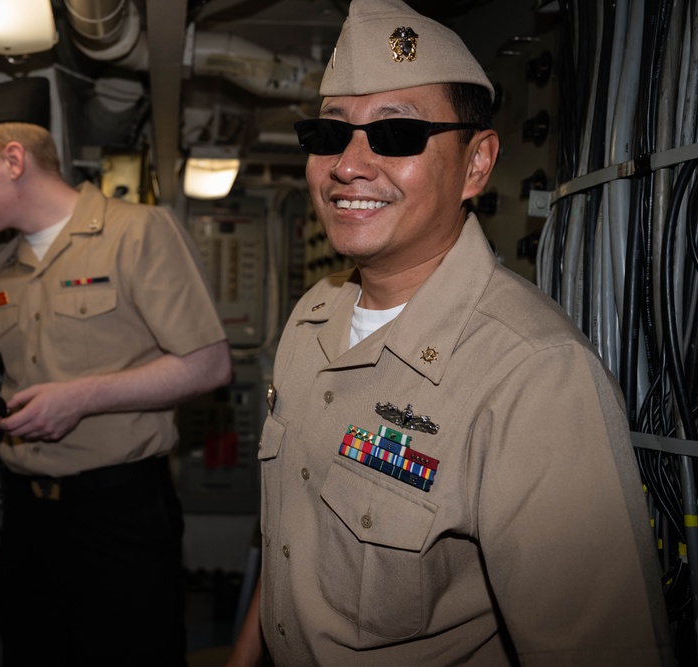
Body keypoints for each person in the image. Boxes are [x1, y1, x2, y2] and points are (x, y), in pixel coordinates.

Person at [227, 1, 673, 665]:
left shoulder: (533, 378)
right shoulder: (311, 319)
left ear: (477, 163)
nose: (348, 165)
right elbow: (292, 542)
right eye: (331, 133)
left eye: (396, 135)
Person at [0, 77, 232, 666]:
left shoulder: (136, 232)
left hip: (119, 513)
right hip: (28, 516)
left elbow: (207, 364)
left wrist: (82, 397)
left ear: (13, 161)